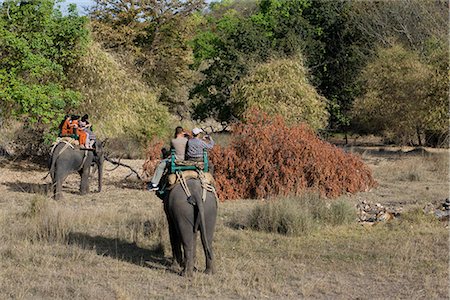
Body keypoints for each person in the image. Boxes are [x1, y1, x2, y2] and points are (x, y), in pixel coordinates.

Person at [147, 126, 189, 191]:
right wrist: (187, 135)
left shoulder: (173, 141)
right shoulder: (186, 140)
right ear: (182, 132)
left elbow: (171, 151)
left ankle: (154, 184)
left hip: (176, 159)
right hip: (184, 159)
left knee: (161, 166)